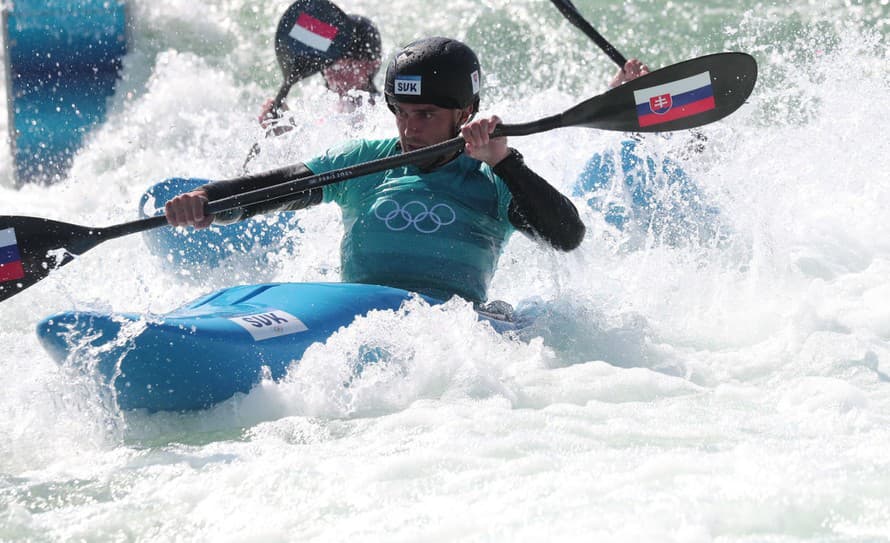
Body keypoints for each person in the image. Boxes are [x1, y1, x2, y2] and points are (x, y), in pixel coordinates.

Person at [165, 37, 585, 306]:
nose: (409, 128)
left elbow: (567, 237)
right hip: (358, 318)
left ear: (465, 113)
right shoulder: (364, 162)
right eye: (400, 112)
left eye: (426, 114)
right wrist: (208, 201)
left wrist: (504, 160)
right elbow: (283, 186)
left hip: (450, 336)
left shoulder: (495, 179)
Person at [259, 13, 383, 131]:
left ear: (371, 65)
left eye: (345, 60)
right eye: (329, 59)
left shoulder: (383, 113)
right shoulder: (316, 104)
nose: (331, 68)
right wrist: (286, 127)